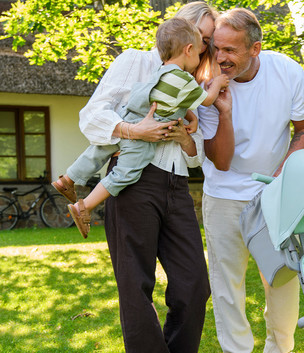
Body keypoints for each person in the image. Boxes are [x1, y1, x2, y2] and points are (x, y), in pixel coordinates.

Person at [69, 2, 219, 353]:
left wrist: (186, 138)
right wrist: (135, 131)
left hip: (176, 185)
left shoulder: (189, 82)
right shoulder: (135, 61)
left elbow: (196, 155)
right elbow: (92, 115)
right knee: (136, 289)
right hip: (133, 184)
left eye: (206, 41)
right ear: (179, 28)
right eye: (199, 37)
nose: (201, 48)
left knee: (194, 285)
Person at [197, 8, 304, 353]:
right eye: (217, 48)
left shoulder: (287, 72)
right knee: (227, 281)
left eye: (231, 50)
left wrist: (285, 174)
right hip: (223, 194)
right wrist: (224, 110)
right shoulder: (207, 86)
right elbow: (220, 161)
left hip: (274, 193)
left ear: (256, 49)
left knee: (282, 277)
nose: (221, 58)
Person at [54, 17, 228, 239]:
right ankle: (84, 206)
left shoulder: (162, 71)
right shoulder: (183, 79)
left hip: (129, 116)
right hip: (143, 140)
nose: (204, 52)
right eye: (202, 43)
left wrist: (188, 116)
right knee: (124, 173)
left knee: (100, 149)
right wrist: (217, 84)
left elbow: (168, 101)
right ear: (189, 48)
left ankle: (67, 179)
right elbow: (207, 99)